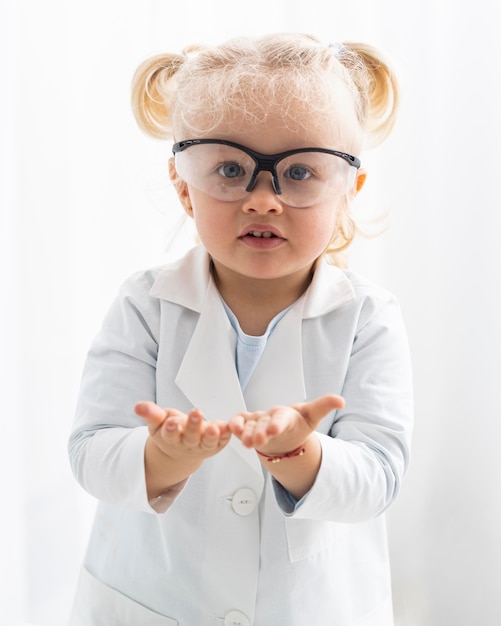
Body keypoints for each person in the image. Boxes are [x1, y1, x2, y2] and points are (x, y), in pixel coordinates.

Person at [68, 32, 413, 626]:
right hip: (152, 601)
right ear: (184, 185)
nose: (264, 199)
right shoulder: (145, 305)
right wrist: (164, 456)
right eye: (230, 169)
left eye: (300, 172)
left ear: (347, 190)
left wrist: (298, 454)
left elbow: (378, 475)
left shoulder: (368, 319)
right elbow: (92, 452)